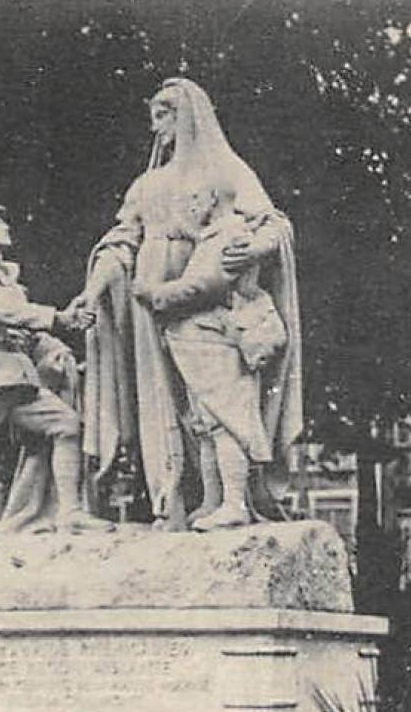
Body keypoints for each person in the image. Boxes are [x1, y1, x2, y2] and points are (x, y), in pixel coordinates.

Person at [79, 78, 303, 530]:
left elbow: (274, 225)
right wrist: (95, 289)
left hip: (204, 294)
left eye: (164, 115)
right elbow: (120, 242)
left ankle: (231, 501)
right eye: (155, 116)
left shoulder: (226, 171)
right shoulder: (148, 184)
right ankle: (185, 499)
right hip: (153, 308)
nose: (157, 126)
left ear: (188, 116)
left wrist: (254, 251)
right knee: (180, 406)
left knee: (220, 400)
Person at [0, 204, 106, 565]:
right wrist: (59, 318)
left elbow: (25, 333)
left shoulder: (9, 279)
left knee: (66, 425)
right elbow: (9, 313)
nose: (4, 225)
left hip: (17, 377)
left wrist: (58, 350)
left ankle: (70, 512)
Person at [133, 184, 285, 529]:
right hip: (200, 339)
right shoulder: (213, 234)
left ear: (213, 200)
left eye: (193, 199)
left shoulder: (229, 232)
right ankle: (213, 500)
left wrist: (153, 294)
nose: (189, 207)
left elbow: (205, 285)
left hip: (217, 336)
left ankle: (234, 503)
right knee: (205, 425)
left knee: (225, 423)